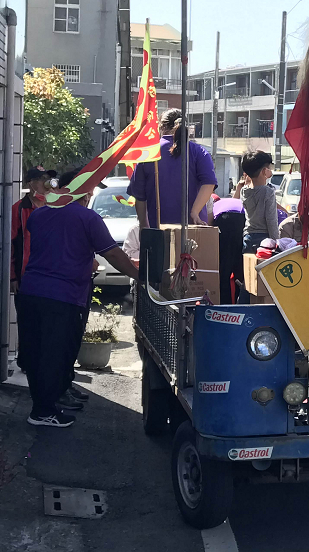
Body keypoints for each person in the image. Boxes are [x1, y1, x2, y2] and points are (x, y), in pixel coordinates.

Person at [17, 168, 139, 428]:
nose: (91, 195)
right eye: (91, 191)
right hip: (62, 297)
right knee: (54, 355)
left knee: (36, 354)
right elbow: (114, 255)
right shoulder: (87, 218)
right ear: (82, 191)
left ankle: (41, 407)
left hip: (31, 292)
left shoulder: (38, 216)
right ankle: (43, 411)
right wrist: (141, 276)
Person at [127, 109, 218, 228]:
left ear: (161, 127)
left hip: (157, 230)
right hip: (193, 229)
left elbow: (139, 196)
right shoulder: (199, 152)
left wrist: (144, 226)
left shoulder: (149, 154)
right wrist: (194, 212)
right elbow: (209, 183)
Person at [11, 167, 56, 294]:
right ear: (31, 183)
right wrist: (12, 277)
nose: (46, 183)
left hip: (50, 275)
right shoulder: (19, 209)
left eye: (48, 179)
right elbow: (11, 244)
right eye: (42, 179)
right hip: (26, 275)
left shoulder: (53, 207)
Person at [235, 151, 279, 252]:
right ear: (264, 171)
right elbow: (271, 221)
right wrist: (276, 243)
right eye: (269, 168)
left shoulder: (244, 191)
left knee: (248, 267)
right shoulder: (268, 192)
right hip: (265, 239)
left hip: (248, 236)